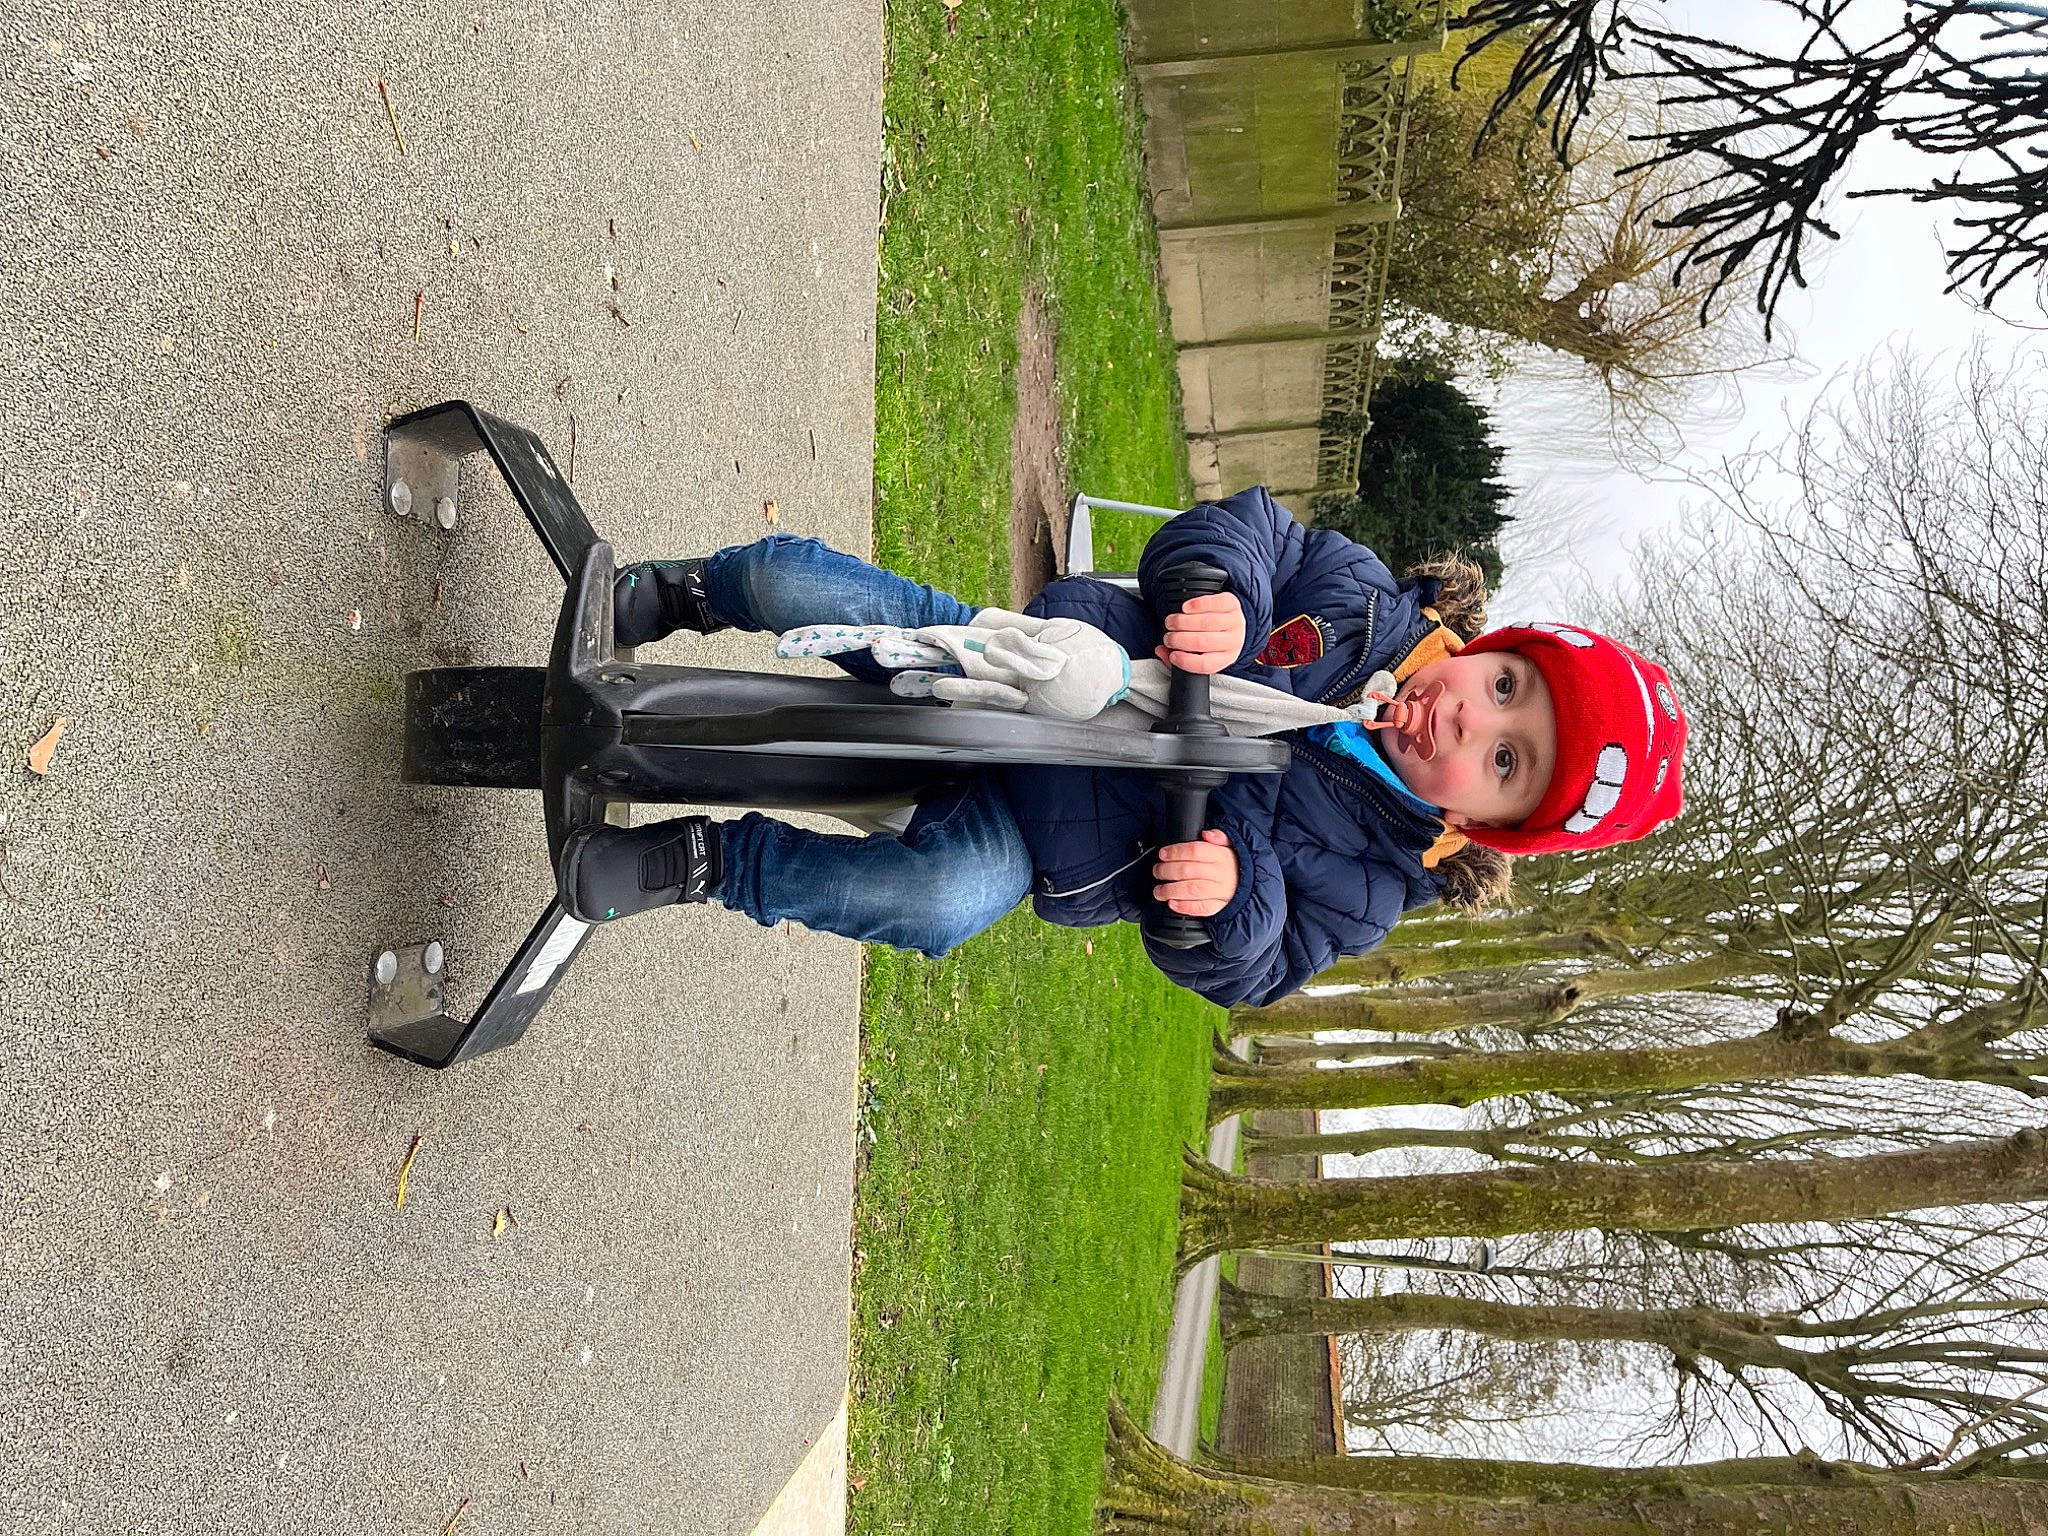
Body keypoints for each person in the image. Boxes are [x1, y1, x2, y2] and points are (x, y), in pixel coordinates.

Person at [557, 487, 1688, 1008]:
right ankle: (695, 589)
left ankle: (711, 862)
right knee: (821, 590)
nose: (1469, 720)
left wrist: (1222, 896)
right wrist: (1222, 599)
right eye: (1501, 688)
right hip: (1041, 674)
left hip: (1050, 832)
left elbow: (1257, 967)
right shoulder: (1356, 606)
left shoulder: (1374, 884)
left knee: (939, 900)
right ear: (1488, 646)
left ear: (1486, 827)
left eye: (1504, 761)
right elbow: (1242, 530)